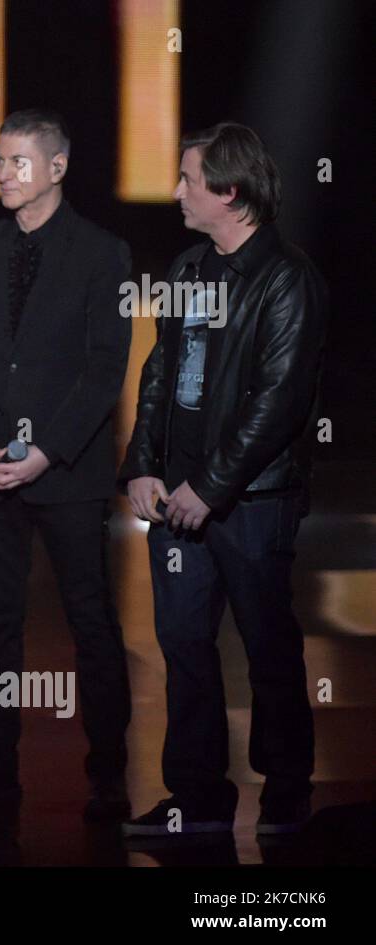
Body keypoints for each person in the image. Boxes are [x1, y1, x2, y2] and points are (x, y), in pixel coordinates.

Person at [119, 122, 327, 840]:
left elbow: (278, 402)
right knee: (182, 643)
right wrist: (142, 465)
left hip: (252, 501)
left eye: (188, 180)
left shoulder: (288, 279)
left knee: (268, 644)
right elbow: (157, 375)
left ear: (229, 192)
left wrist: (209, 489)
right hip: (178, 499)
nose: (175, 192)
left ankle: (288, 789)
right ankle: (199, 796)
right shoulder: (185, 270)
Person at [0, 109, 134, 821]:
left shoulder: (101, 252)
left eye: (20, 161)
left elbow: (105, 366)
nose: (4, 174)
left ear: (57, 166)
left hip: (68, 473)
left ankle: (108, 771)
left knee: (90, 619)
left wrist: (45, 452)